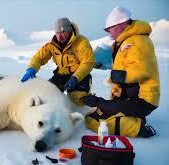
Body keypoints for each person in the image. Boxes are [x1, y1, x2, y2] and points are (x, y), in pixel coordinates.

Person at [83, 6, 160, 138]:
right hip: (127, 97)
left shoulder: (139, 41)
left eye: (110, 28)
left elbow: (141, 70)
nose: (108, 32)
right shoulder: (124, 42)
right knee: (94, 116)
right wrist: (102, 63)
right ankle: (133, 118)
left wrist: (115, 76)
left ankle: (138, 128)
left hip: (142, 100)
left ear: (122, 24)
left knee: (98, 116)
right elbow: (123, 63)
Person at [21, 18, 95, 106]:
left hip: (80, 76)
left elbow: (88, 62)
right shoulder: (52, 45)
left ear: (69, 31)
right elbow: (38, 58)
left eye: (63, 32)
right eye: (57, 33)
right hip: (61, 75)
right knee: (46, 93)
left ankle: (94, 109)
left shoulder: (82, 43)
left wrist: (75, 77)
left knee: (77, 100)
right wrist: (31, 68)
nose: (59, 37)